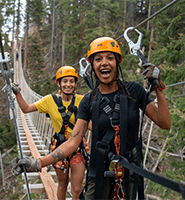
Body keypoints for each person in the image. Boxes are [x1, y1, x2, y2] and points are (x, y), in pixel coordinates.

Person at [12, 37, 171, 200]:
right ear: (93, 66)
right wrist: (38, 163)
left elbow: (164, 123)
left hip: (129, 166)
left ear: (117, 62)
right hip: (99, 166)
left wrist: (159, 87)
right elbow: (73, 142)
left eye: (110, 58)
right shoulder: (88, 101)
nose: (104, 63)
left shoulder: (134, 91)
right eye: (98, 59)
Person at [11, 66, 90, 200]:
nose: (68, 84)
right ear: (59, 83)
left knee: (77, 188)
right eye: (64, 81)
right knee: (62, 185)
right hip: (59, 148)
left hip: (77, 148)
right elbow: (26, 109)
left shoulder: (83, 101)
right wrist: (18, 93)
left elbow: (90, 123)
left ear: (76, 84)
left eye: (72, 81)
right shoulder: (49, 101)